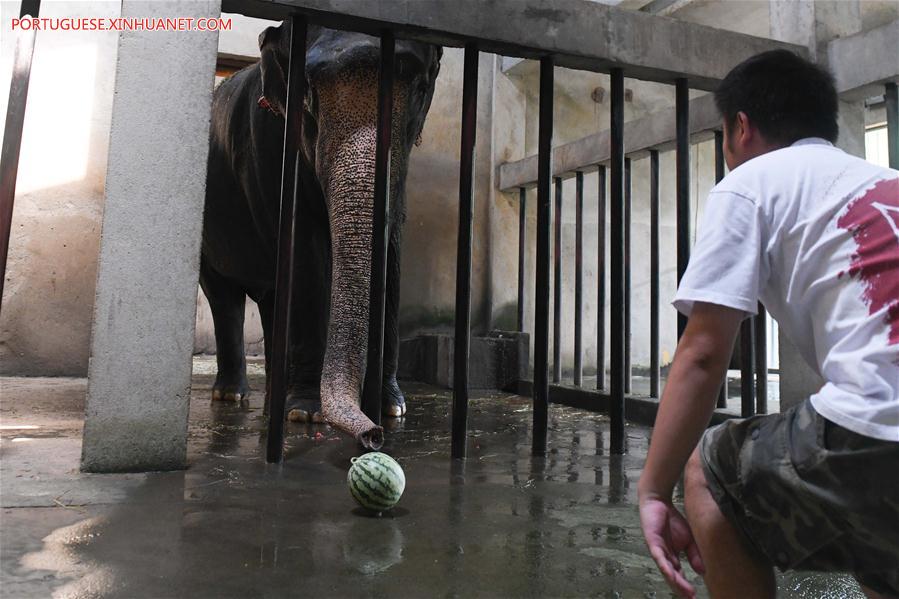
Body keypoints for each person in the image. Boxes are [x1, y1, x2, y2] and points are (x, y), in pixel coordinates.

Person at [638, 49, 899, 599]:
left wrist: (653, 492)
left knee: (711, 473)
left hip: (877, 428)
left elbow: (704, 353)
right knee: (882, 540)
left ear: (740, 127)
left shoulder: (752, 181)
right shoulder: (887, 181)